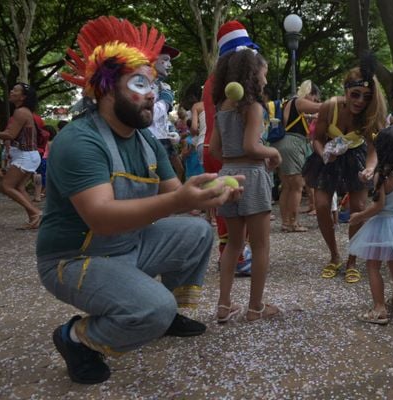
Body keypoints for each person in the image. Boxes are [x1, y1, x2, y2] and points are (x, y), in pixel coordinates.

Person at [36, 16, 241, 385]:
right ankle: (77, 338)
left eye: (154, 83)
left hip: (129, 243)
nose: (153, 93)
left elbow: (175, 196)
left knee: (197, 232)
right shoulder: (80, 141)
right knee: (152, 308)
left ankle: (159, 313)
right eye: (140, 83)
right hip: (75, 258)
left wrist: (212, 193)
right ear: (105, 89)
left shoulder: (145, 140)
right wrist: (179, 199)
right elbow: (101, 218)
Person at [209, 49, 282, 322]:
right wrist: (273, 153)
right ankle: (255, 308)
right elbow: (251, 146)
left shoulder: (221, 108)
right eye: (263, 73)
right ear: (254, 74)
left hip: (228, 176)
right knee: (261, 245)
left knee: (233, 244)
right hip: (252, 176)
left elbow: (215, 149)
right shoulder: (253, 107)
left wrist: (232, 163)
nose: (265, 79)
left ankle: (224, 305)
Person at [302, 57, 387, 284]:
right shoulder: (330, 106)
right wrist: (325, 154)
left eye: (366, 97)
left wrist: (370, 169)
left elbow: (372, 148)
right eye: (355, 94)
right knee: (321, 204)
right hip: (328, 158)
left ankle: (352, 259)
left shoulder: (370, 113)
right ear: (346, 90)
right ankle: (334, 255)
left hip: (356, 158)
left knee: (358, 208)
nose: (360, 101)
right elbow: (317, 139)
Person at [348, 126, 393, 324]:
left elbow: (378, 207)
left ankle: (379, 308)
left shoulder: (383, 175)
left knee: (373, 265)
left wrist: (359, 216)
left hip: (382, 224)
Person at [204, 20, 259, 275]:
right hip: (231, 152)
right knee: (237, 208)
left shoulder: (214, 82)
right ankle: (236, 257)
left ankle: (231, 255)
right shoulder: (232, 84)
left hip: (216, 149)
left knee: (227, 210)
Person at [273, 79, 321, 232]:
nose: (315, 101)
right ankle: (293, 223)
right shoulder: (299, 102)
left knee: (287, 186)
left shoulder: (288, 102)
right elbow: (319, 108)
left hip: (281, 143)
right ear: (310, 93)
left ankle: (286, 222)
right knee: (297, 186)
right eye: (315, 97)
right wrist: (336, 102)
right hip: (293, 144)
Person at [0, 82, 42, 229]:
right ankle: (33, 219)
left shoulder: (21, 112)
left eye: (15, 90)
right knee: (19, 187)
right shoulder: (24, 111)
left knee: (5, 186)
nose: (11, 91)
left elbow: (10, 135)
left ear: (23, 97)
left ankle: (35, 212)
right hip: (28, 155)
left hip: (25, 156)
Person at [148, 42, 185, 181]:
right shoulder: (142, 84)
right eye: (165, 59)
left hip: (163, 140)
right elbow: (147, 117)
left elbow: (162, 118)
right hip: (148, 141)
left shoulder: (163, 86)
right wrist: (165, 102)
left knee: (177, 172)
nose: (169, 65)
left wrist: (171, 129)